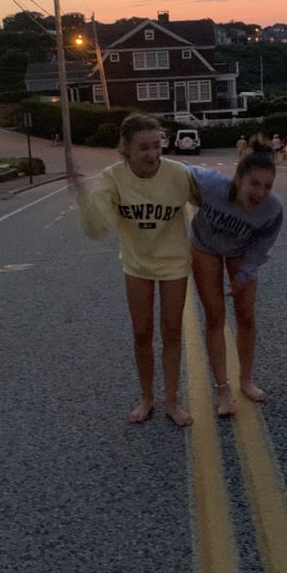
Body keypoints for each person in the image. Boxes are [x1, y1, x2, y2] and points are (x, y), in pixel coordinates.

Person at [70, 113, 199, 427]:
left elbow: (212, 201)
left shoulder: (179, 174)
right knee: (142, 332)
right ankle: (147, 398)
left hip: (174, 263)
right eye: (143, 148)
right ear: (125, 149)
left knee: (171, 330)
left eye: (157, 146)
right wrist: (85, 199)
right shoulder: (112, 178)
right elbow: (98, 227)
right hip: (137, 263)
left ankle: (171, 400)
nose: (152, 154)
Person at [189, 141, 283, 417]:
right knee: (215, 316)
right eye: (254, 183)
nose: (260, 193)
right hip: (205, 245)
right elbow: (177, 171)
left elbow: (263, 242)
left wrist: (245, 273)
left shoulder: (272, 209)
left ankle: (245, 380)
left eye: (267, 186)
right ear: (239, 178)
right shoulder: (212, 184)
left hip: (241, 250)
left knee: (246, 315)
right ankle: (223, 389)